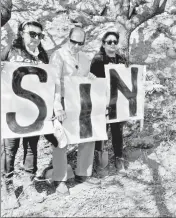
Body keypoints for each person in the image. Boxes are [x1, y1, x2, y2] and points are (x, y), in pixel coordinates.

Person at [1, 21, 49, 209]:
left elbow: (48, 83)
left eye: (40, 35)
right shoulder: (9, 51)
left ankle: (29, 184)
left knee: (31, 148)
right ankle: (7, 188)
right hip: (11, 111)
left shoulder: (43, 55)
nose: (36, 39)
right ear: (22, 33)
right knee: (9, 150)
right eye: (32, 34)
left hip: (34, 111)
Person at [49, 26, 99, 195]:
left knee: (88, 136)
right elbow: (54, 82)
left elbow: (84, 77)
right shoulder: (58, 55)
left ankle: (83, 173)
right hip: (62, 101)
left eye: (80, 43)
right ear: (68, 39)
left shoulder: (85, 58)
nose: (76, 46)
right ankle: (60, 179)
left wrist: (90, 77)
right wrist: (57, 106)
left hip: (81, 101)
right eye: (73, 41)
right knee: (61, 140)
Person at [90, 31, 127, 175]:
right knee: (101, 131)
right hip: (101, 102)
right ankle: (99, 160)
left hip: (117, 102)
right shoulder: (98, 60)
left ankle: (119, 158)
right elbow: (92, 81)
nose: (112, 44)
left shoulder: (121, 59)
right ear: (103, 44)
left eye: (115, 42)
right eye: (109, 42)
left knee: (117, 131)